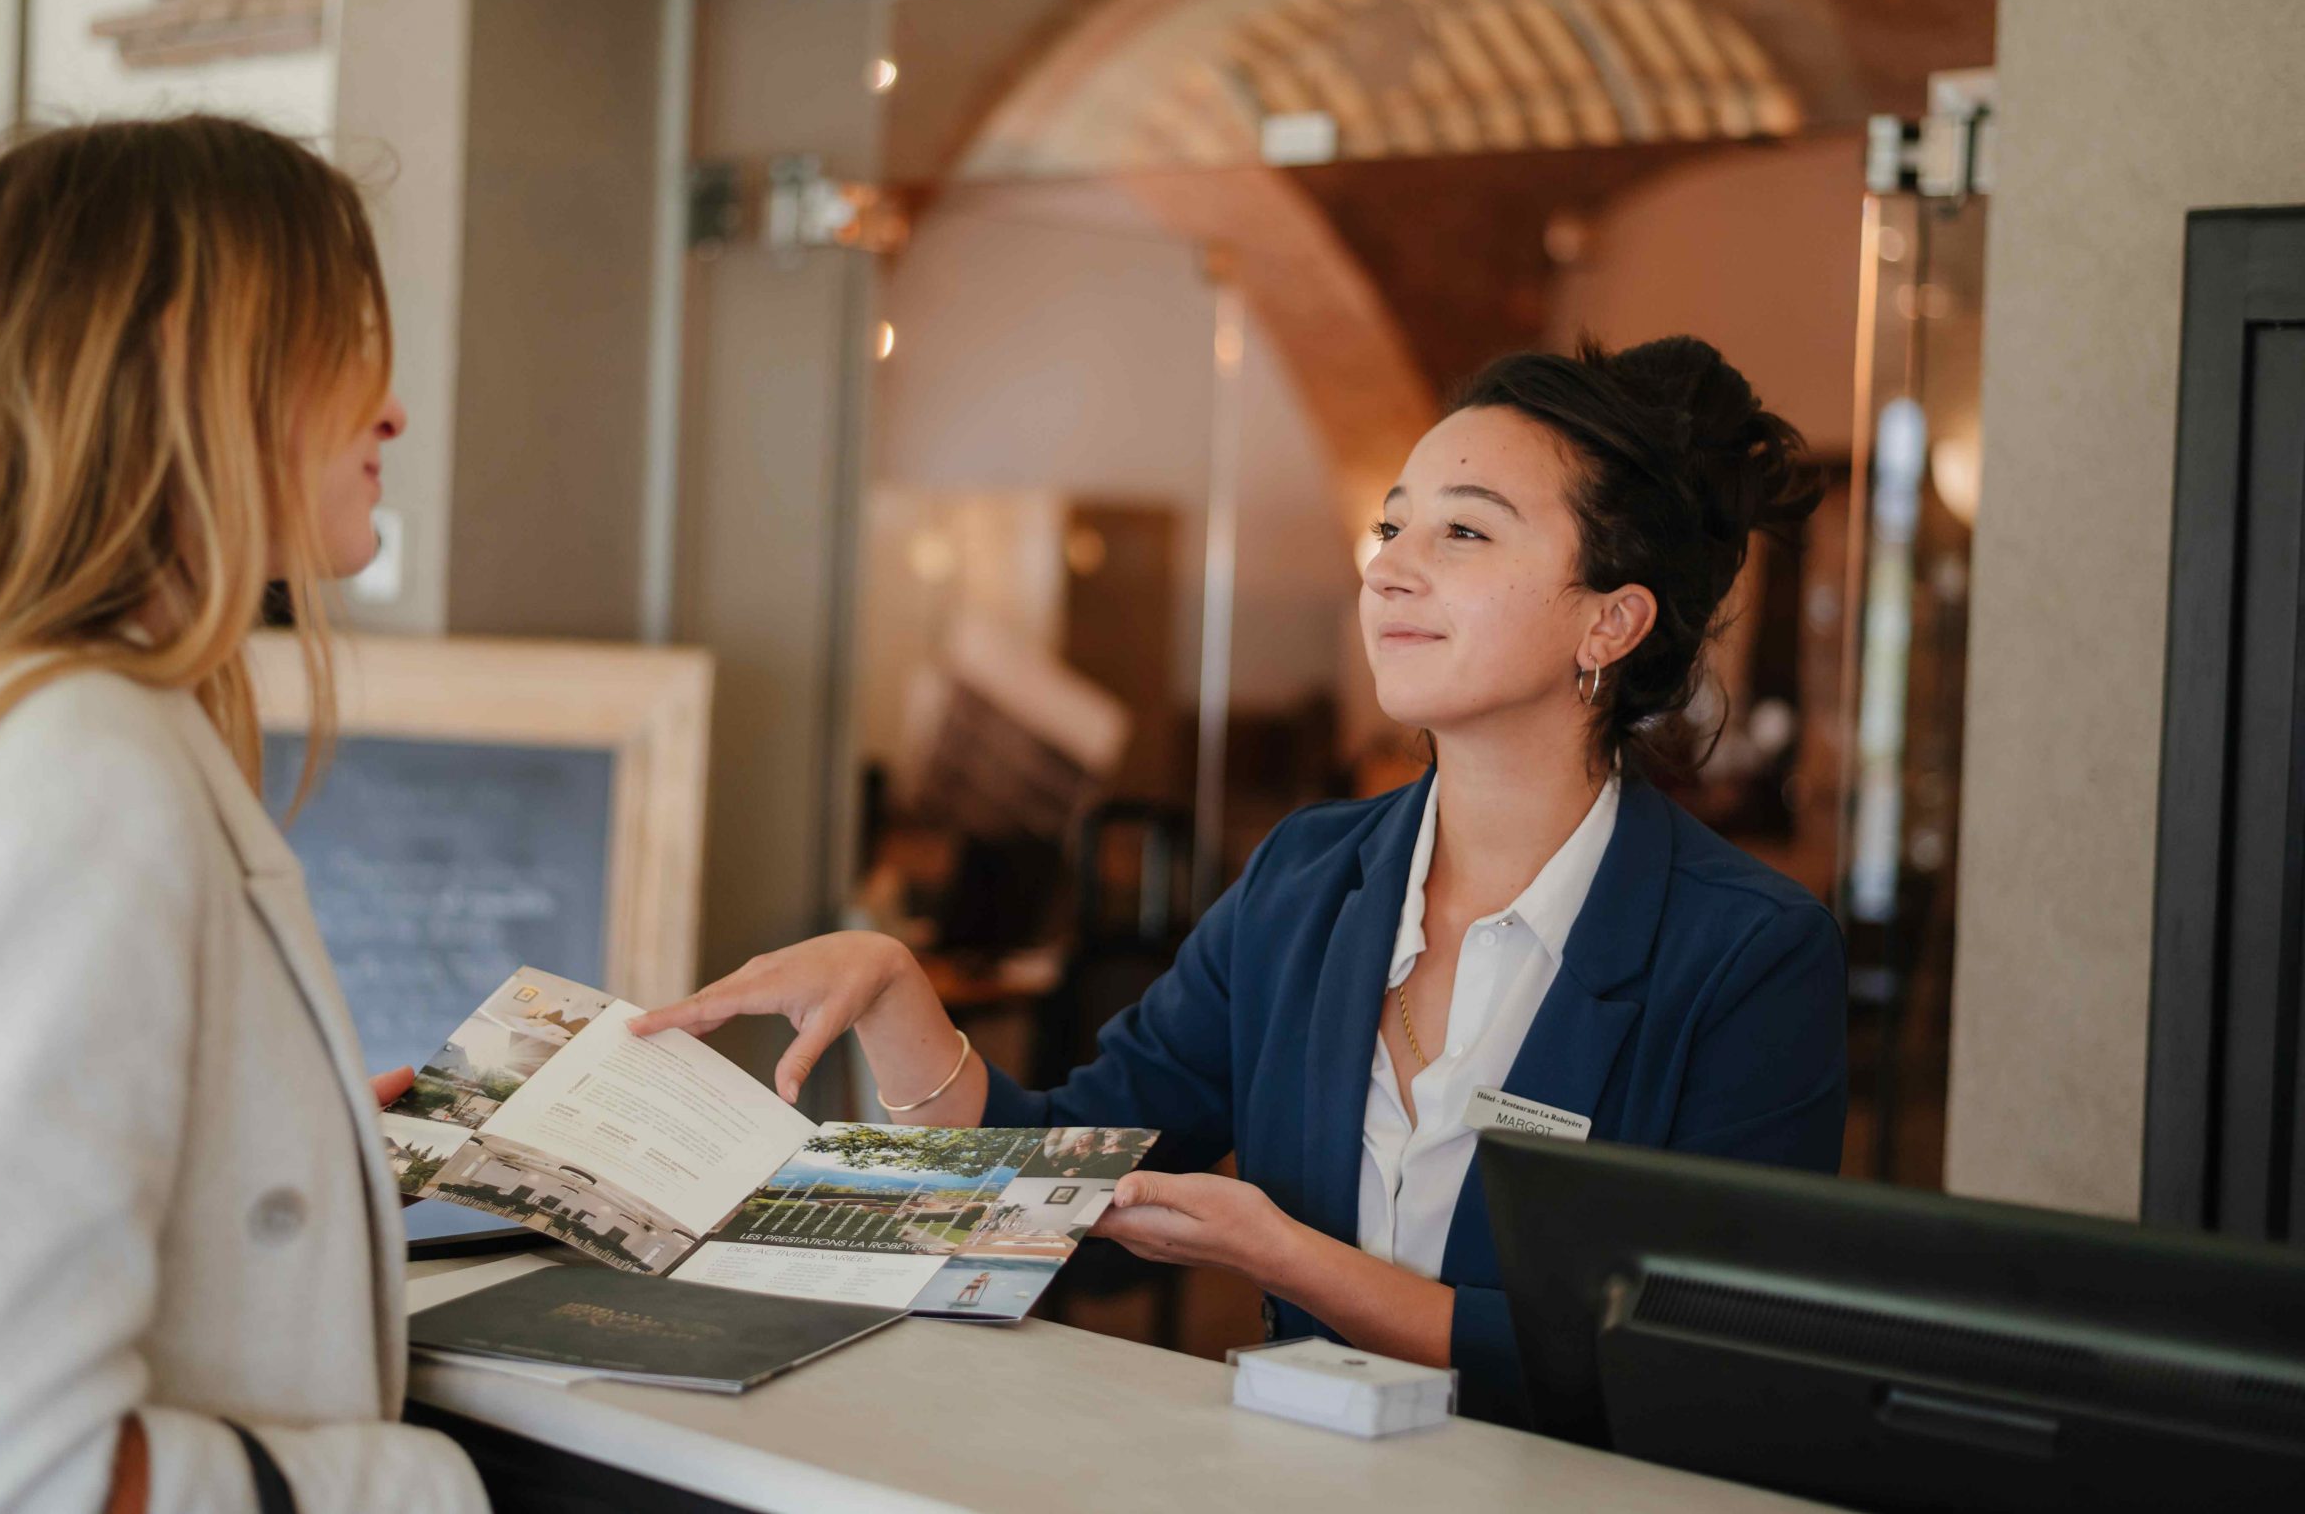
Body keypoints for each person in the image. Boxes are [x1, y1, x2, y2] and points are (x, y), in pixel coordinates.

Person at [633, 336, 1845, 1425]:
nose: (1388, 570)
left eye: (1463, 531)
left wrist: (1292, 1257)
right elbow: (1051, 1174)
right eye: (1392, 525)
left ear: (1612, 621)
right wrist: (899, 999)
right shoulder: (1308, 879)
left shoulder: (1746, 952)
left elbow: (1702, 1368)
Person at [0, 119, 488, 1513]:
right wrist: (410, 1487)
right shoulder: (78, 767)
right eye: (344, 342)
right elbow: (12, 1472)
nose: (389, 411)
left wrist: (296, 1162)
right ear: (199, 370)